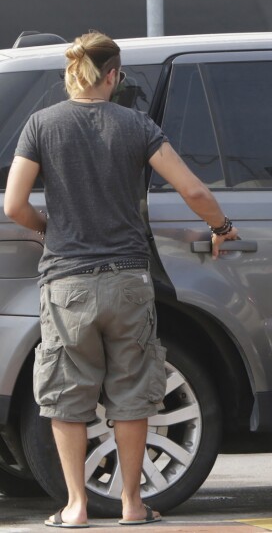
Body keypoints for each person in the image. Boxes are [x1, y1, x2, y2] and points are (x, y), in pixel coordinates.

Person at [4, 31, 238, 528]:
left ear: (72, 74)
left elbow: (14, 206)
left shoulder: (40, 125)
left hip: (68, 283)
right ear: (113, 76)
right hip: (129, 279)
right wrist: (221, 227)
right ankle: (132, 504)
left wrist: (51, 230)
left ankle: (76, 507)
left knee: (67, 393)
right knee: (132, 390)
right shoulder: (136, 125)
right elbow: (193, 189)